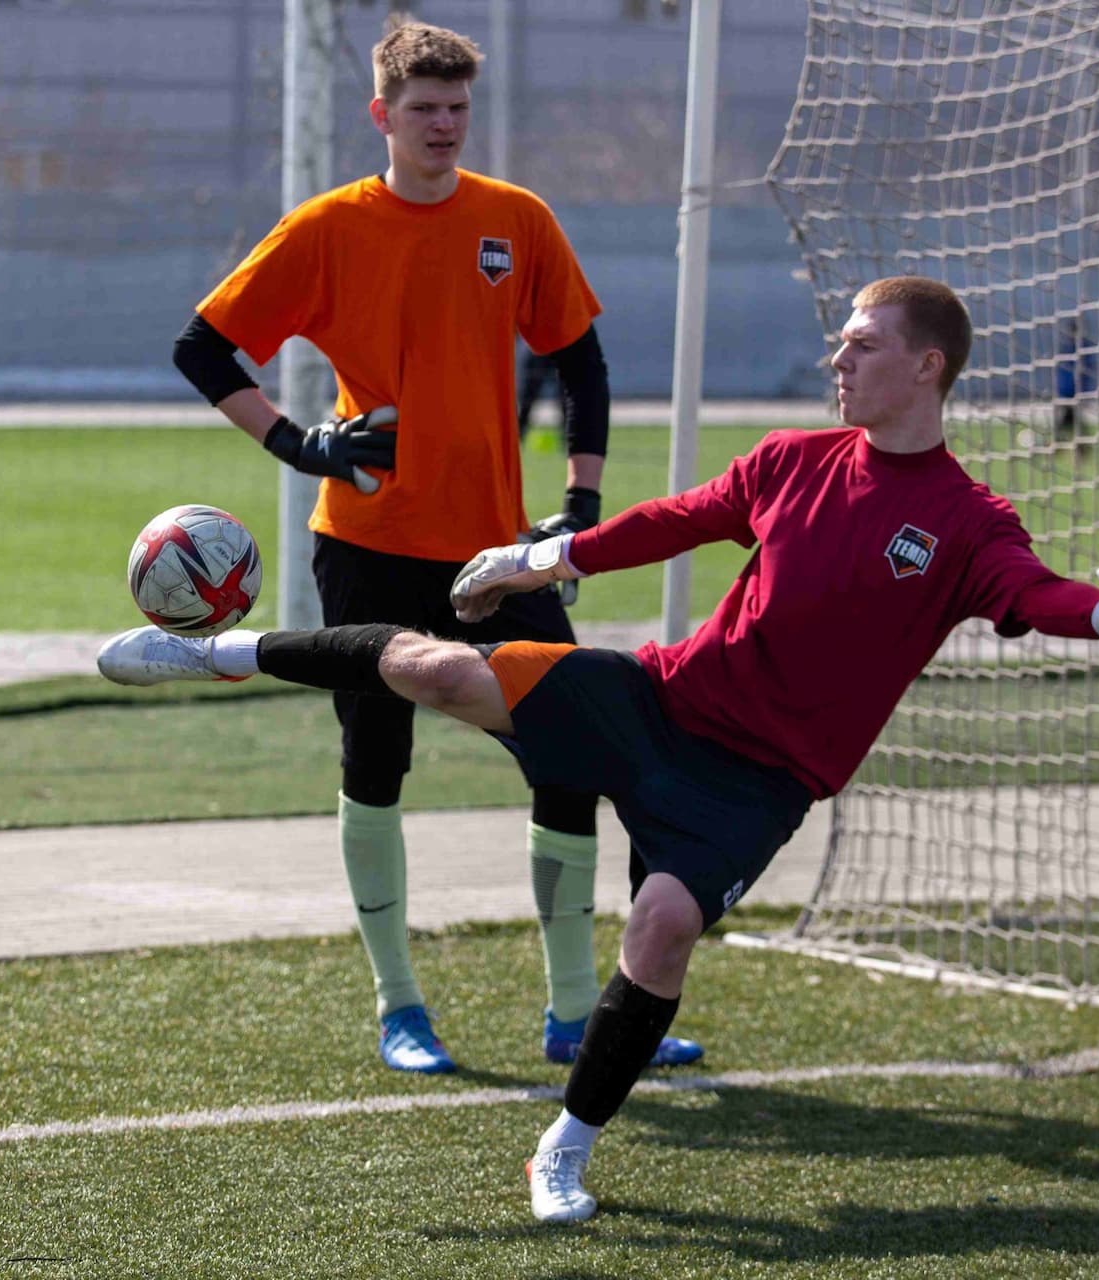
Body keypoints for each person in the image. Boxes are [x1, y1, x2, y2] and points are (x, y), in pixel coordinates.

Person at [106, 275, 1099, 1222]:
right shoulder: (796, 457)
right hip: (659, 699)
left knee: (662, 925)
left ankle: (563, 1148)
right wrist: (535, 560)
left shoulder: (968, 520)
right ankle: (224, 652)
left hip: (757, 784)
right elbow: (680, 517)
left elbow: (1032, 592)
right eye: (841, 340)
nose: (838, 357)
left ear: (928, 366)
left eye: (862, 343)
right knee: (436, 668)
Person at [164, 20, 701, 1076]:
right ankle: (399, 1006)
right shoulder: (326, 228)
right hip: (366, 547)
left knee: (571, 758)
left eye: (458, 108)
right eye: (424, 110)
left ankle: (569, 1013)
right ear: (383, 117)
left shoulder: (516, 219)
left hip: (500, 557)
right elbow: (201, 346)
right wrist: (299, 442)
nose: (445, 126)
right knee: (376, 763)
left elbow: (582, 362)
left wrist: (577, 504)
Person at [1054, 316, 1096, 454]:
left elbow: (1087, 370)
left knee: (1070, 419)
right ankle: (1079, 448)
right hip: (1067, 391)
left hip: (1077, 391)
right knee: (1071, 419)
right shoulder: (1066, 349)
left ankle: (1066, 446)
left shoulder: (1083, 349)